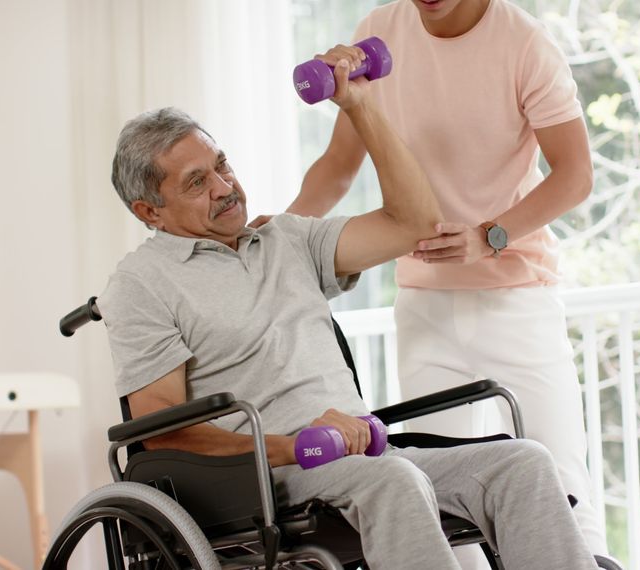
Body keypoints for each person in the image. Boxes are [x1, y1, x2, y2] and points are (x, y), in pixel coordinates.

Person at [97, 55, 597, 570]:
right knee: (393, 479)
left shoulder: (286, 238)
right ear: (149, 211)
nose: (225, 188)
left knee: (522, 463)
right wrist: (294, 447)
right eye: (196, 182)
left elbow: (414, 222)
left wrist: (358, 105)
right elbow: (163, 434)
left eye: (221, 165)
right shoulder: (140, 284)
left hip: (365, 456)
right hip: (267, 479)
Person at [261, 0, 609, 561]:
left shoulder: (523, 43)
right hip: (423, 305)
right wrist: (276, 236)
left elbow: (575, 175)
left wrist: (489, 235)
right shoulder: (378, 31)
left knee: (562, 486)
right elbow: (339, 166)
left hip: (515, 299)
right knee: (446, 497)